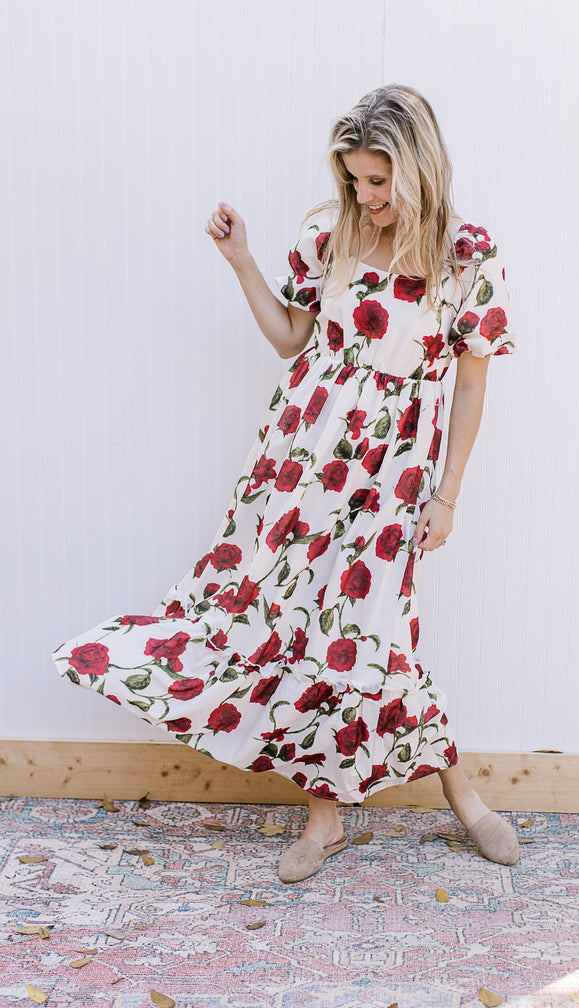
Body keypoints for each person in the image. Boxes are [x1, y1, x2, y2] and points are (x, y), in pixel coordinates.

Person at [52, 83, 518, 883]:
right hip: (299, 461)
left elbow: (471, 387)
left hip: (393, 473)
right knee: (300, 628)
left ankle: (461, 795)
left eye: (380, 181)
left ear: (419, 169)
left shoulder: (465, 257)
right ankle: (328, 819)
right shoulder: (330, 233)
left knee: (376, 638)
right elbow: (291, 341)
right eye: (356, 180)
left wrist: (448, 493)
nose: (366, 197)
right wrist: (242, 262)